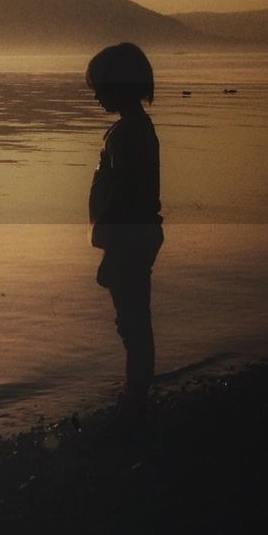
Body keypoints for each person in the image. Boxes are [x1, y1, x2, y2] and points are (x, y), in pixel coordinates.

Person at [86, 43, 162, 420]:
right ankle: (135, 388)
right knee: (133, 318)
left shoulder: (126, 134)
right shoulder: (136, 128)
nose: (96, 95)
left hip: (128, 237)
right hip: (137, 234)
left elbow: (124, 190)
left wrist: (104, 233)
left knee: (131, 320)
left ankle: (135, 395)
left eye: (100, 87)